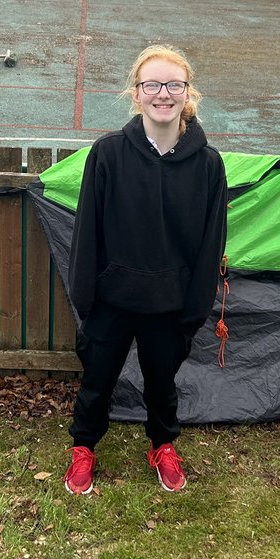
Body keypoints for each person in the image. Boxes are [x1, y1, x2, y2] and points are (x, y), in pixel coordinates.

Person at [63, 44, 228, 495]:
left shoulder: (209, 165)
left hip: (170, 305)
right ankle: (84, 448)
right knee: (97, 382)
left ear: (187, 93)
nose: (163, 94)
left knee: (162, 384)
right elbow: (88, 234)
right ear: (136, 94)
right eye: (152, 84)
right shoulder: (109, 154)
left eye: (173, 85)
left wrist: (193, 310)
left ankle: (163, 445)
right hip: (111, 301)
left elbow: (210, 243)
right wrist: (88, 301)